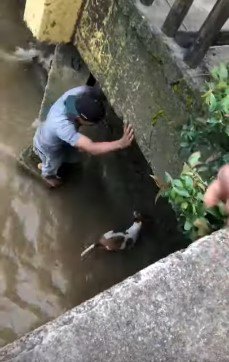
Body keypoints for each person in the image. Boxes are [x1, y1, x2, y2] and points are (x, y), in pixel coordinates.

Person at [33, 86, 134, 187]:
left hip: (56, 132)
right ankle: (47, 175)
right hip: (47, 145)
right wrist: (121, 143)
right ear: (79, 118)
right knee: (53, 162)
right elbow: (92, 148)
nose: (94, 125)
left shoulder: (80, 92)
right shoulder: (63, 126)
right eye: (92, 123)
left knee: (76, 156)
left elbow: (99, 91)